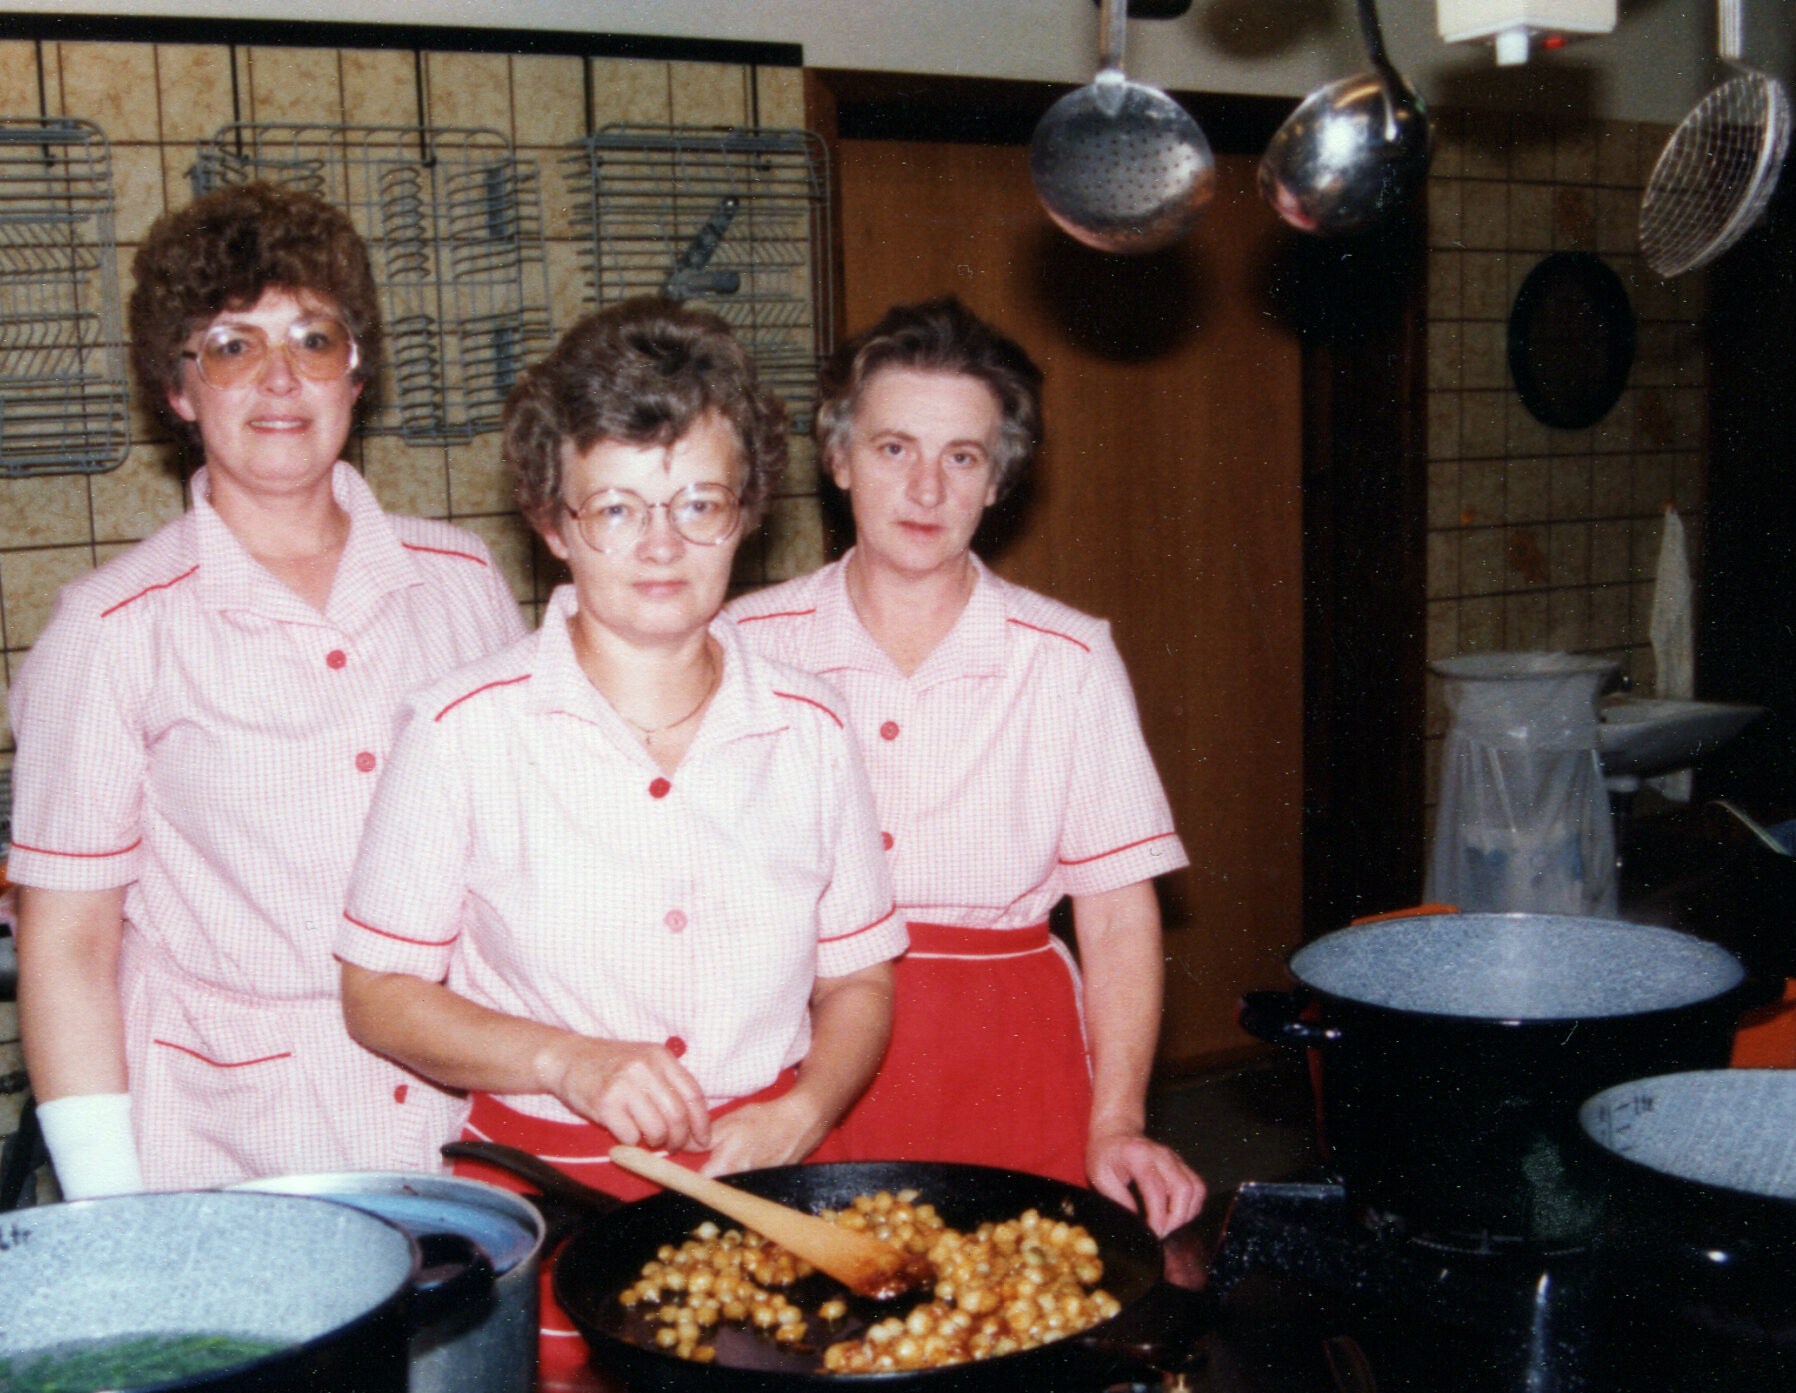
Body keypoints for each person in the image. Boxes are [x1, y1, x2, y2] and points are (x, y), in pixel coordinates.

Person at [6, 184, 525, 1196]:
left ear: (357, 370)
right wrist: (108, 1205)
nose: (280, 378)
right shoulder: (115, 630)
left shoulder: (460, 580)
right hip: (234, 1144)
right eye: (233, 345)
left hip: (464, 1118)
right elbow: (66, 946)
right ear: (180, 388)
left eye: (313, 338)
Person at [336, 298, 907, 1200]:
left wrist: (808, 1106)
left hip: (770, 1169)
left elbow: (860, 980)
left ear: (748, 511)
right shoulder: (460, 730)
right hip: (551, 1182)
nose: (662, 545)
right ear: (555, 524)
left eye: (699, 504)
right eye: (616, 508)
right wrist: (569, 1063)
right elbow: (377, 992)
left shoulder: (815, 725)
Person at [728, 296, 1207, 1235]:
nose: (927, 490)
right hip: (802, 1053)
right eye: (894, 448)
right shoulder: (741, 645)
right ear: (837, 460)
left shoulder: (1066, 658)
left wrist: (1116, 1122)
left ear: (999, 483)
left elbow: (1114, 915)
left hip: (1010, 1058)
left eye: (964, 457)